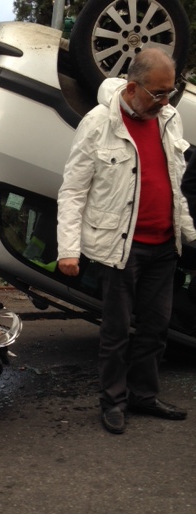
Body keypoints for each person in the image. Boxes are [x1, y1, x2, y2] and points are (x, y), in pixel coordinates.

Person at [57, 48, 196, 435]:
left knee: (155, 329)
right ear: (133, 87)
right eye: (158, 92)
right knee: (116, 332)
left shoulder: (168, 118)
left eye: (171, 91)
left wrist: (189, 235)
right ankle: (113, 401)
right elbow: (72, 191)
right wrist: (68, 250)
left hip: (164, 246)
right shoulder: (99, 122)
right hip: (120, 248)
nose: (166, 100)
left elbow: (174, 184)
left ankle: (143, 396)